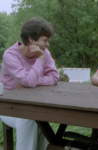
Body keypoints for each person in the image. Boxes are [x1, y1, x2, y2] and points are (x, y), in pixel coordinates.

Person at [0, 17, 59, 150]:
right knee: (30, 117)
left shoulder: (45, 52)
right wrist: (39, 59)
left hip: (34, 103)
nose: (48, 44)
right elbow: (28, 81)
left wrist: (34, 81)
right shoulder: (10, 55)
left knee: (35, 115)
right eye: (45, 40)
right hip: (7, 105)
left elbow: (54, 77)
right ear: (31, 39)